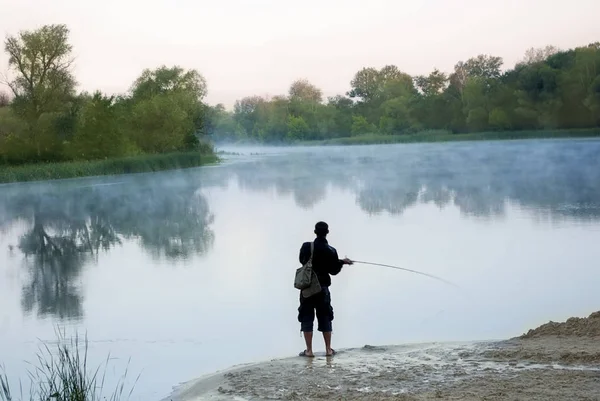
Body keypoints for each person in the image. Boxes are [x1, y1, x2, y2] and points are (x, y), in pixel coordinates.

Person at [297, 221, 353, 357]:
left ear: (315, 232)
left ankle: (309, 351)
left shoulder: (306, 246)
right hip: (323, 289)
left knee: (306, 316)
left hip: (307, 288)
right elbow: (333, 270)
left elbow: (301, 260)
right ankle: (328, 350)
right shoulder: (331, 250)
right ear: (327, 232)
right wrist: (342, 262)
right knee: (325, 316)